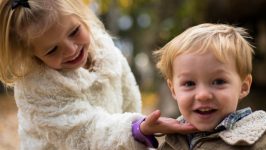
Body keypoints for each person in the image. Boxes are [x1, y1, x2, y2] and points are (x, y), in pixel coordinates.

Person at [0, 0, 196, 149]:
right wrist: (135, 130)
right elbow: (84, 133)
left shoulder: (104, 49)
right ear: (32, 54)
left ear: (82, 17)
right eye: (52, 50)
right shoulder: (37, 88)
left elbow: (128, 97)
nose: (70, 50)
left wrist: (140, 128)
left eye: (74, 31)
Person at [153, 23, 266, 149]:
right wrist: (139, 132)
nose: (203, 95)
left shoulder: (261, 145)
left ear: (243, 87)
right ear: (173, 90)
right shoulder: (170, 141)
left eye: (218, 82)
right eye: (189, 83)